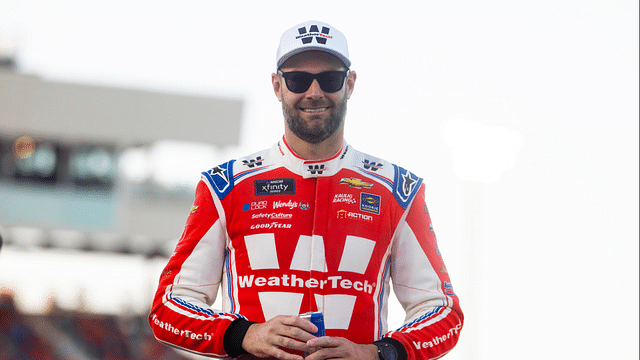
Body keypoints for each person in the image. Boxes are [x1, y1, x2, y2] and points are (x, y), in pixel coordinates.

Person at [148, 20, 463, 360]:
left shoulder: (398, 191)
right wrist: (245, 334)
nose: (314, 93)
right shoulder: (225, 186)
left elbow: (442, 312)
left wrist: (377, 354)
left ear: (350, 83)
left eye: (329, 79)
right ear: (277, 85)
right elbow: (168, 309)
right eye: (298, 79)